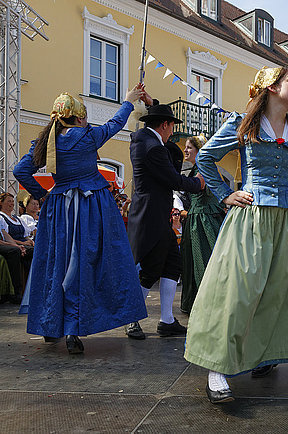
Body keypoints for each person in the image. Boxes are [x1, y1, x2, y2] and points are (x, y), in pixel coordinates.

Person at [184, 66, 288, 403]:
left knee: (275, 293)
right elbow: (206, 159)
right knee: (238, 292)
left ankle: (265, 355)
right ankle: (217, 367)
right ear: (271, 88)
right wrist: (224, 193)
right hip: (252, 219)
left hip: (287, 221)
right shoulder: (245, 124)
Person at [13, 90, 148, 354]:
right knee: (88, 264)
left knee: (57, 265)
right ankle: (75, 330)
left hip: (58, 212)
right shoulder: (86, 137)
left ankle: (51, 326)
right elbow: (115, 125)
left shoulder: (47, 142)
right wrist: (129, 101)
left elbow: (21, 171)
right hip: (90, 209)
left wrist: (44, 194)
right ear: (79, 118)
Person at [126, 102, 205, 340]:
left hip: (155, 214)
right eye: (171, 126)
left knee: (172, 264)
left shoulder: (146, 141)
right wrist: (198, 184)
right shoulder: (153, 148)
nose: (173, 133)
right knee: (150, 270)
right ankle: (133, 320)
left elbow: (172, 154)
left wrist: (153, 105)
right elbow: (174, 179)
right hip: (152, 216)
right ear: (165, 124)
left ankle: (167, 321)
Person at [179, 134, 226, 314]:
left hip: (204, 221)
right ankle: (195, 302)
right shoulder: (196, 169)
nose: (185, 150)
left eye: (189, 147)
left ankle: (209, 304)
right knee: (192, 263)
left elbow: (199, 186)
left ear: (200, 151)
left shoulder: (204, 168)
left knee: (204, 262)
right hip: (196, 219)